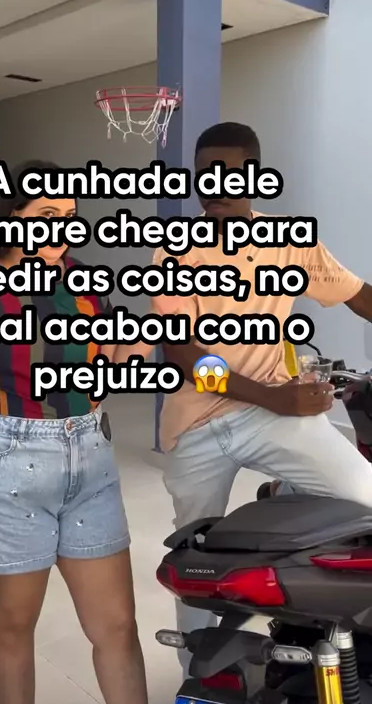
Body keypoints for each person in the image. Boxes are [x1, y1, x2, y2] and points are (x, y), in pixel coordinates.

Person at [0, 159, 164, 704]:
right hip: (4, 466)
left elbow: (105, 360)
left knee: (116, 625)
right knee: (15, 628)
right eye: (46, 214)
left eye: (70, 215)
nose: (62, 229)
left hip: (90, 461)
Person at [153, 122, 372, 667]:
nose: (213, 186)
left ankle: (321, 630)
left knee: (365, 498)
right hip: (196, 426)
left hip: (273, 417)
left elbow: (359, 296)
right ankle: (199, 676)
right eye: (203, 175)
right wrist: (275, 399)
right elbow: (181, 354)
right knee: (195, 557)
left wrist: (277, 403)